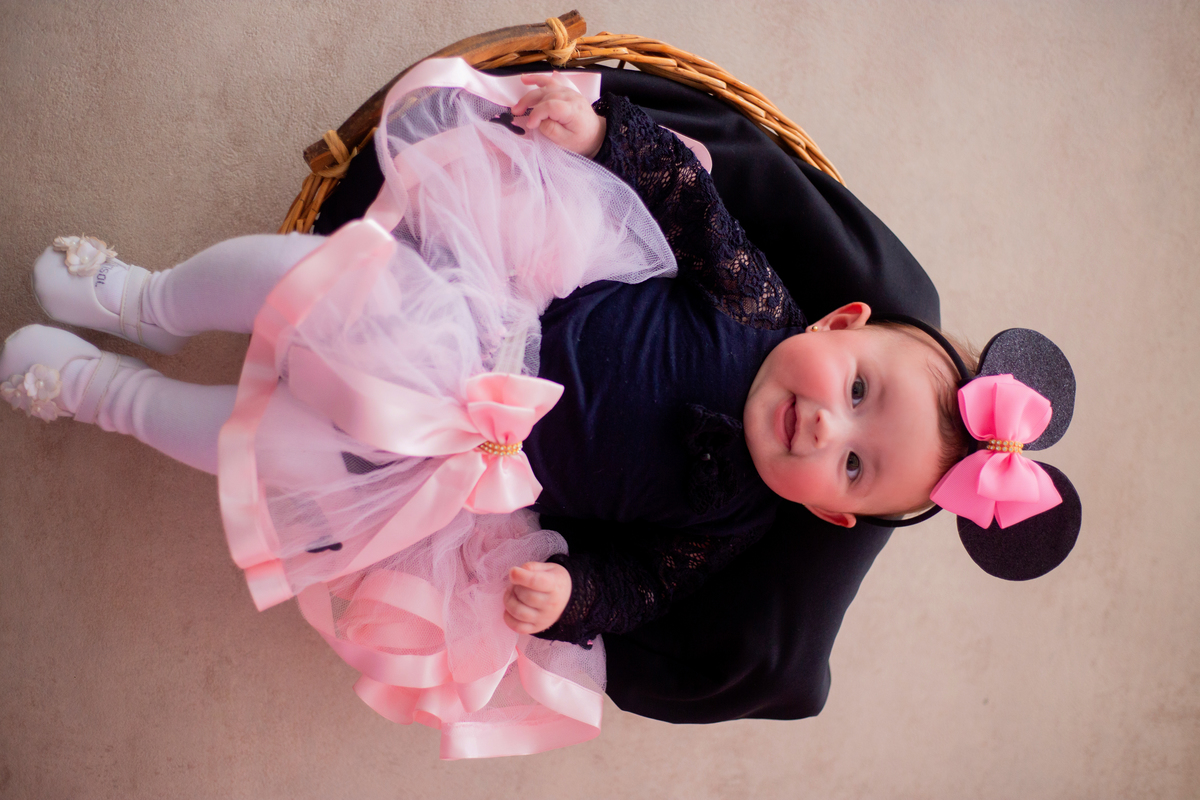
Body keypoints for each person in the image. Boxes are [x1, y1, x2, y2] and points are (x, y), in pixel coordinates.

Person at [0, 64, 1075, 758]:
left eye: (851, 467)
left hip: (468, 466)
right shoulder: (757, 300)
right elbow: (690, 197)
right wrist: (602, 133)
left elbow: (640, 583)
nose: (822, 428)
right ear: (841, 321)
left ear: (834, 517)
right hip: (481, 318)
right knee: (304, 275)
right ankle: (144, 298)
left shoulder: (733, 522)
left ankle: (111, 395)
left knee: (281, 467)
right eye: (855, 391)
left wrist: (568, 592)